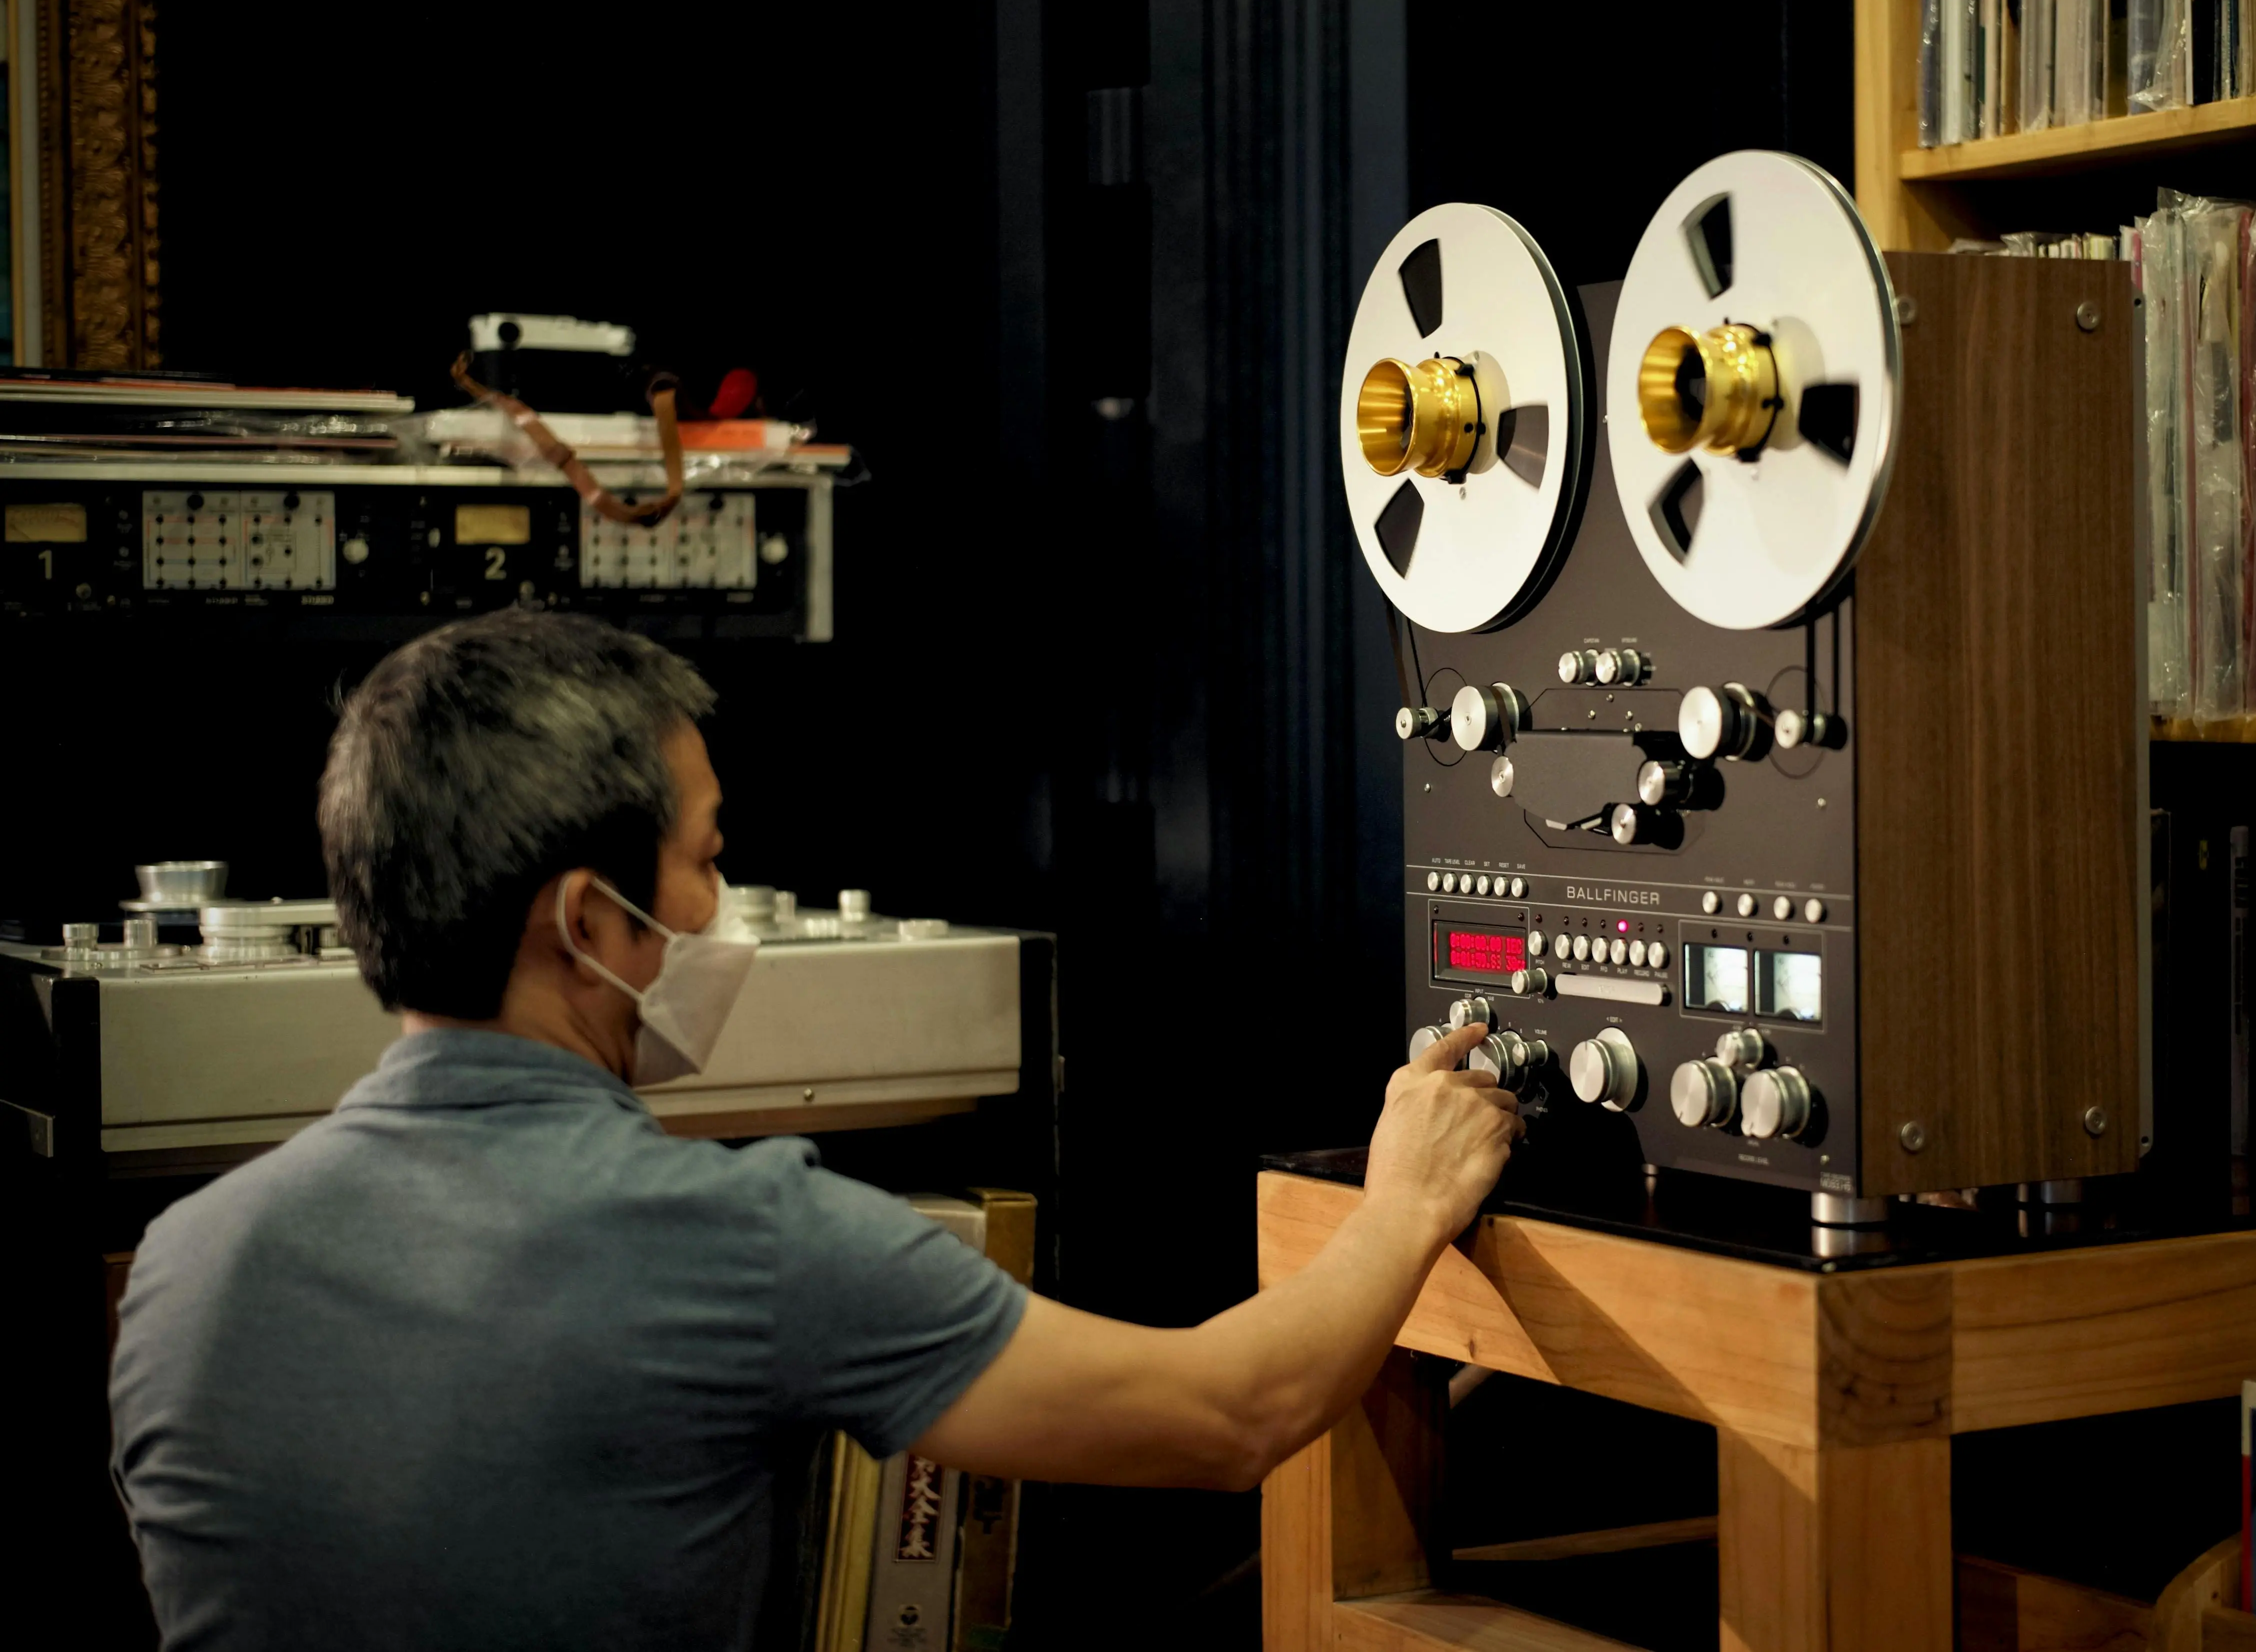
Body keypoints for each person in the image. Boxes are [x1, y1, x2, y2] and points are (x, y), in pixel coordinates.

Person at [108, 611, 1518, 1652]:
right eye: (710, 861)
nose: (724, 910)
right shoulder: (743, 1244)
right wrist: (1404, 1198)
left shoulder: (182, 1266)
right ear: (592, 922)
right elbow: (1229, 1414)